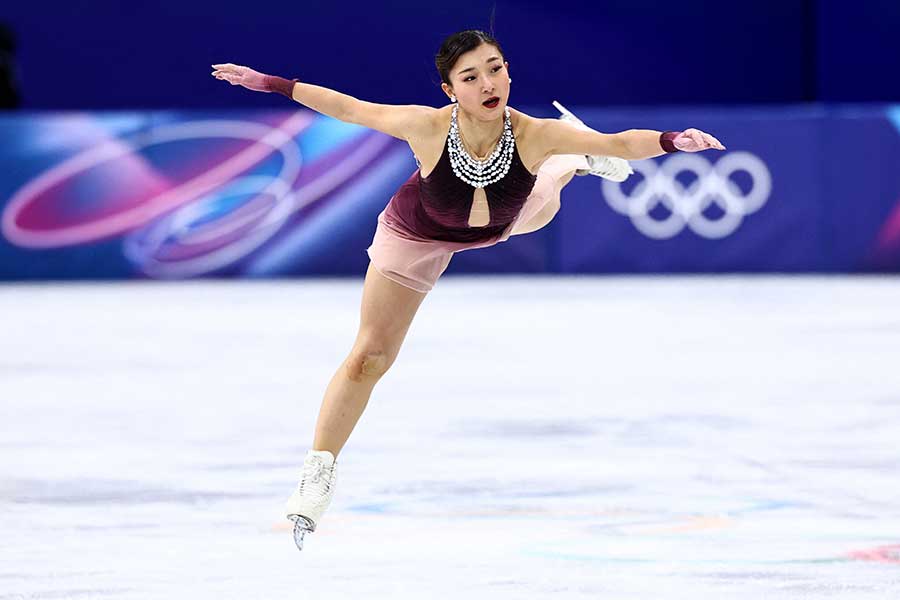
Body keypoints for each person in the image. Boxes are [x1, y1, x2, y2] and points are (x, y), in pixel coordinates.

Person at [211, 29, 724, 550]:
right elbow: (348, 107)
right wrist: (270, 82)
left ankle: (575, 159)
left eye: (496, 68)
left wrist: (672, 140)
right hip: (414, 238)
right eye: (471, 76)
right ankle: (318, 470)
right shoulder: (425, 127)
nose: (488, 83)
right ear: (449, 89)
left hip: (501, 222)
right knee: (370, 356)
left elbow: (620, 144)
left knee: (547, 197)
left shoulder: (532, 132)